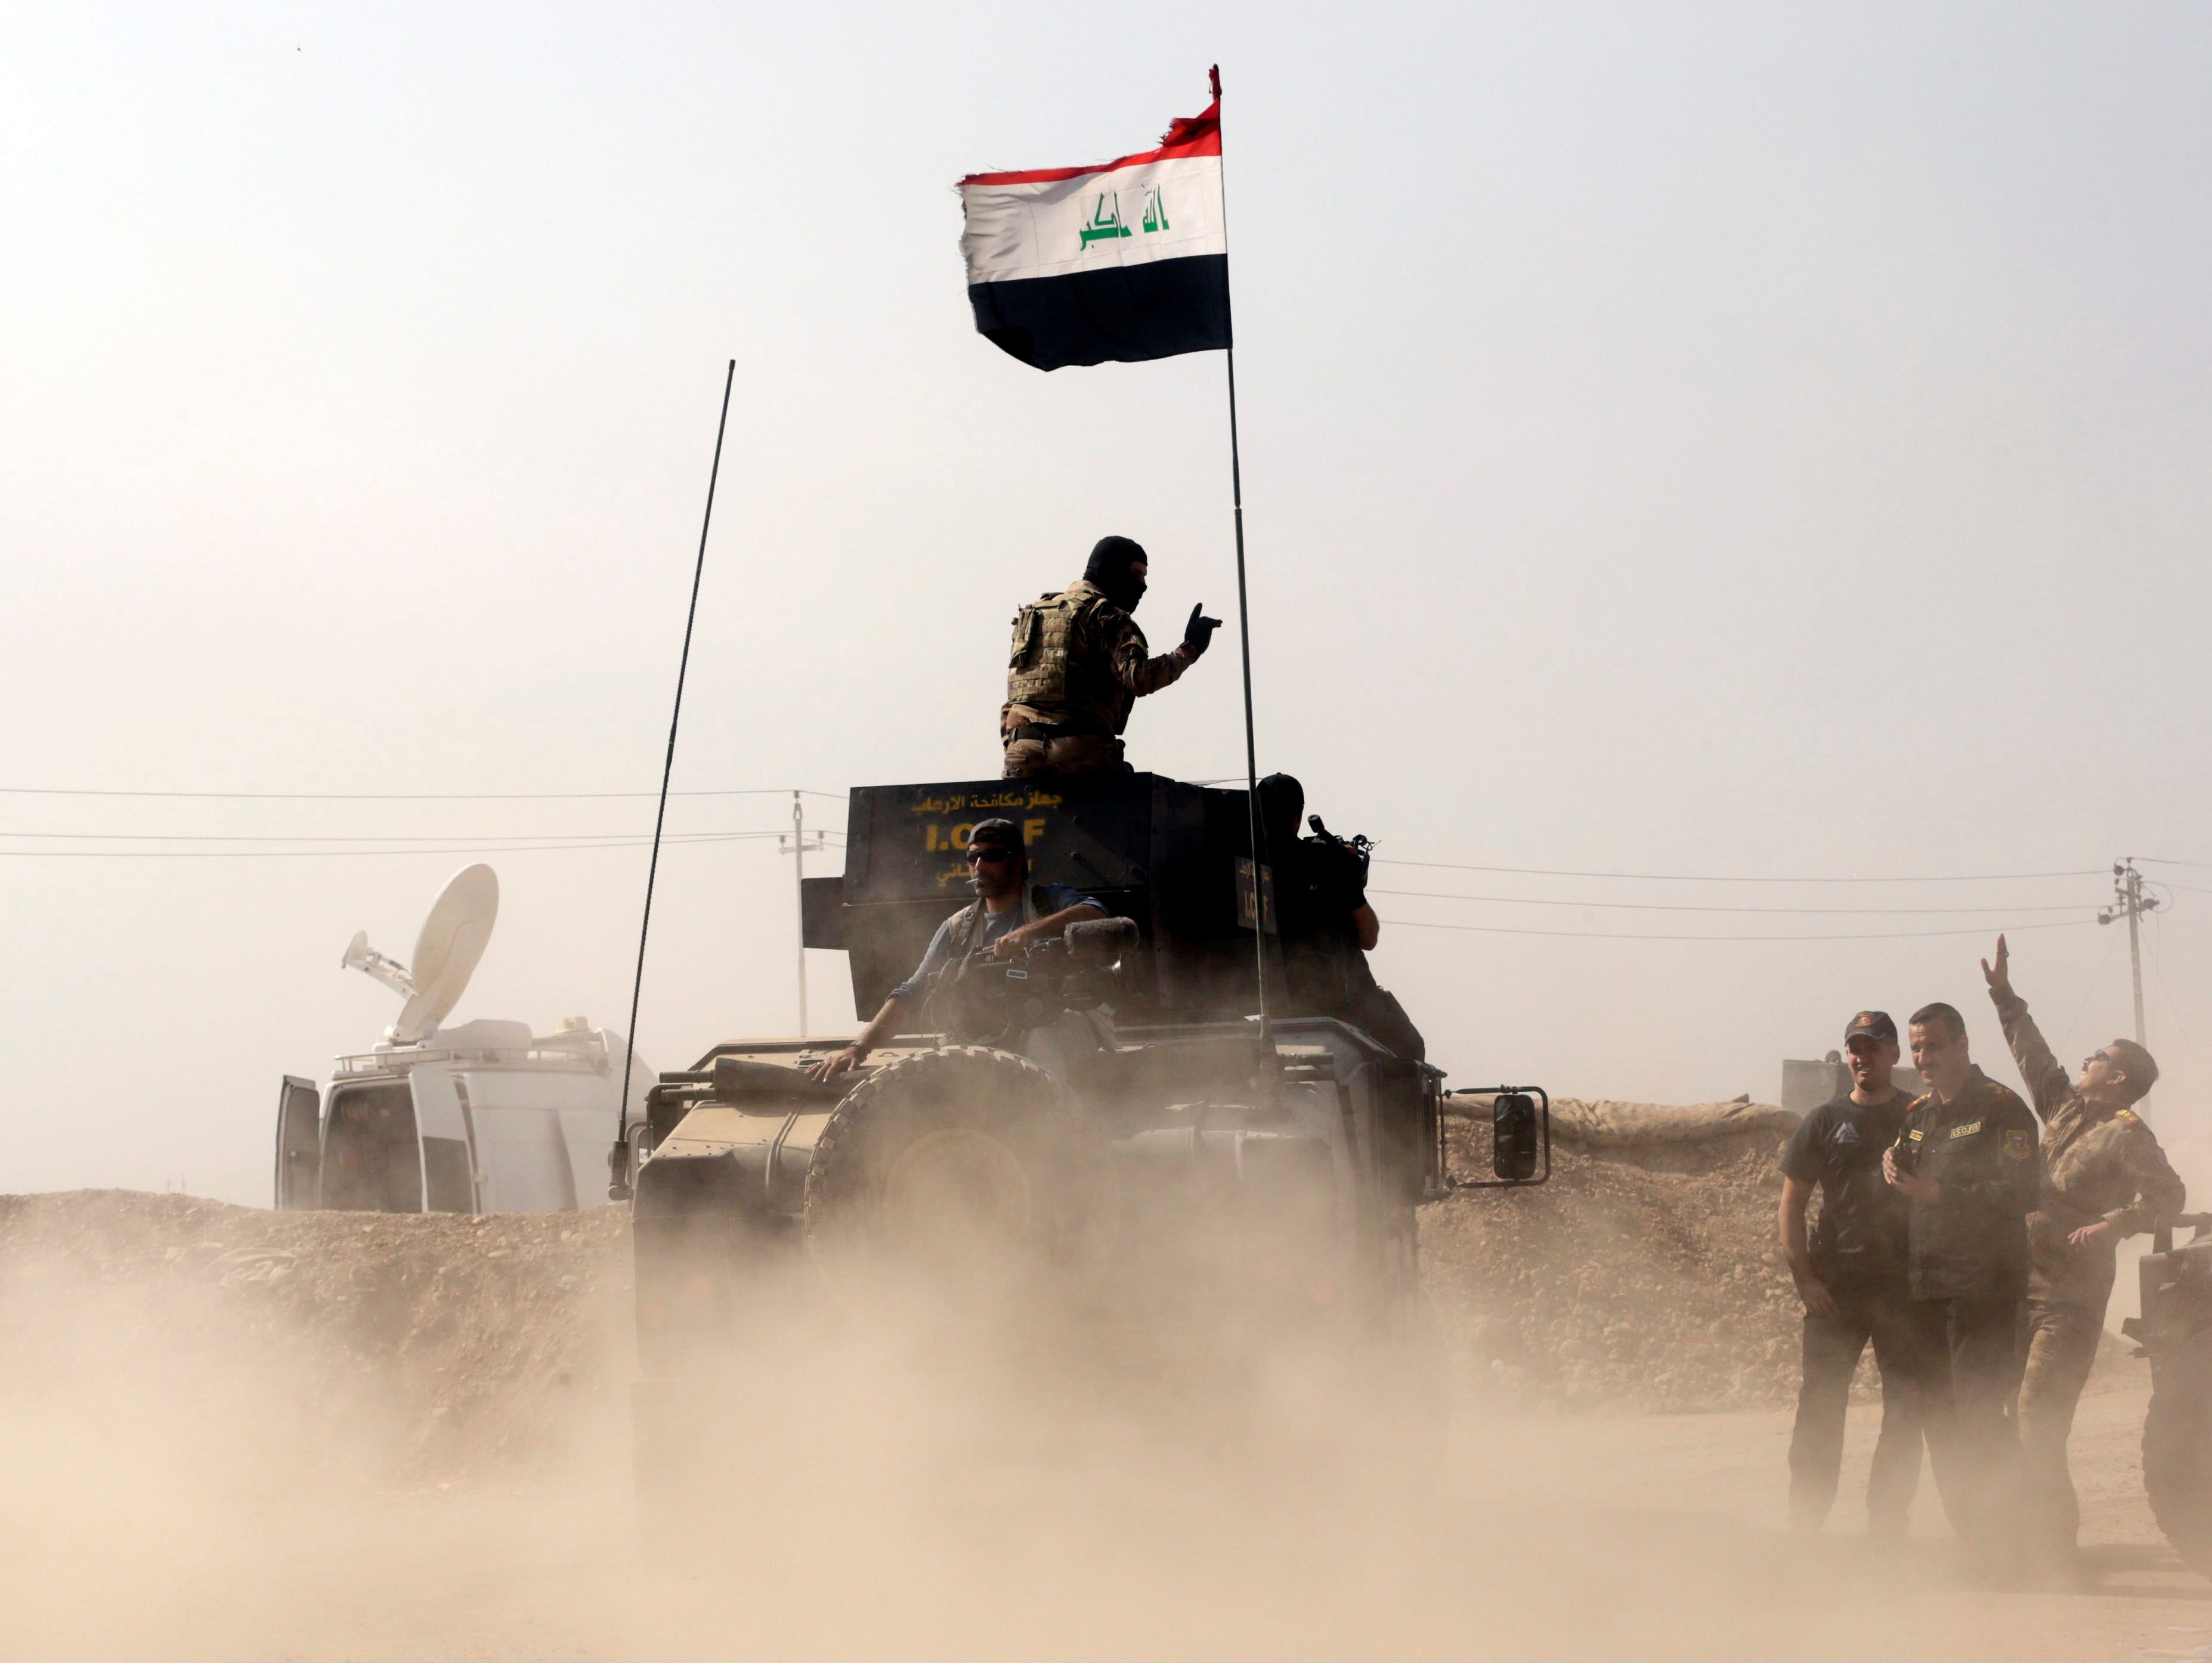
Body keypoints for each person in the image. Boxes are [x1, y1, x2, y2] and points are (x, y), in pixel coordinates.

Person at [1982, 933, 2184, 1577]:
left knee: (2039, 1424)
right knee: (2003, 1416)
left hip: (2068, 1303)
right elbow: (2033, 1058)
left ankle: (2052, 1552)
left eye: (2096, 1056)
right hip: (2021, 1284)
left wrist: (2115, 1222)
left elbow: (2169, 1194)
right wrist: (2004, 997)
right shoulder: (2063, 1109)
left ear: (2118, 1077)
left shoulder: (2128, 1137)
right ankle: (2010, 1541)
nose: (2085, 1058)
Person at [1882, 1001, 2040, 1579]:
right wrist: (1893, 1170)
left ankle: (2013, 1543)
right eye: (1917, 1047)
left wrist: (1939, 1193)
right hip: (1926, 1287)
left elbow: (2024, 1192)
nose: (1924, 1058)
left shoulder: (2002, 1107)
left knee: (1978, 1418)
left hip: (1983, 1287)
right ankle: (1975, 1543)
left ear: (1963, 1044)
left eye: (1935, 1046)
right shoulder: (1919, 1112)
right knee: (1939, 1421)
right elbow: (1908, 1176)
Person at [1777, 1010, 1928, 1540]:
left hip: (1903, 1291)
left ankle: (1887, 1526)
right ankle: (1805, 1524)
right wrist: (1805, 1280)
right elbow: (1791, 1204)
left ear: (1894, 1053)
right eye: (1854, 1048)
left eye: (1873, 1046)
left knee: (1906, 1408)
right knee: (1820, 1407)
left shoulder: (1920, 1114)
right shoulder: (1822, 1120)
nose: (1862, 1057)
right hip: (1835, 1292)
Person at [806, 819, 1105, 1082]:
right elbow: (914, 990)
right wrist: (858, 1048)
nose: (980, 866)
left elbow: (1096, 914)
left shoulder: (1048, 901)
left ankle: (1057, 1140)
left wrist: (1028, 933)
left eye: (992, 857)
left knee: (1042, 1046)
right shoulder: (957, 928)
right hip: (994, 1031)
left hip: (1059, 1021)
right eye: (973, 857)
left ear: (1018, 863)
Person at [1000, 535, 1221, 778]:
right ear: (1110, 570)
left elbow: (1012, 702)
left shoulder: (1034, 615)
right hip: (1083, 753)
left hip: (1020, 756)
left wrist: (1015, 747)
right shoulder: (1106, 616)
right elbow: (1140, 678)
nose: (1143, 586)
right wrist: (1191, 649)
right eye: (1137, 574)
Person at [1253, 773, 1424, 1060]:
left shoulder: (1242, 864)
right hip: (1337, 998)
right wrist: (1346, 869)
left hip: (1268, 999)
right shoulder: (1330, 861)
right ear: (1298, 817)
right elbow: (1369, 938)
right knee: (1410, 1047)